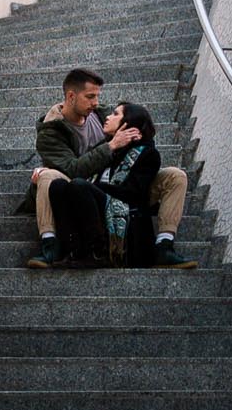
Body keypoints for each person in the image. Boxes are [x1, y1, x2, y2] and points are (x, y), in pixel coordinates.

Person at [18, 69, 198, 269]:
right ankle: (50, 245)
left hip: (114, 183)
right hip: (78, 180)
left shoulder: (99, 114)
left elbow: (138, 132)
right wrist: (111, 146)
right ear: (71, 96)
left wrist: (132, 140)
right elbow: (73, 169)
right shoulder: (50, 131)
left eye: (97, 96)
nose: (96, 103)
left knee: (175, 175)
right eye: (90, 96)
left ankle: (164, 245)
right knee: (50, 176)